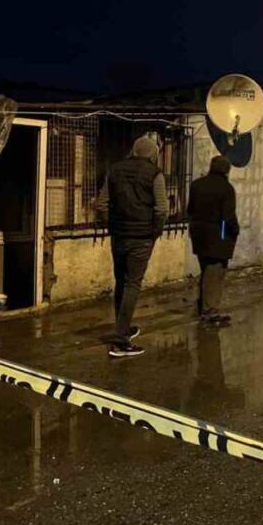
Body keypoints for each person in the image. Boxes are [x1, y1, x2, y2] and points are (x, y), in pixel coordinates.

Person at [95, 133, 168, 358]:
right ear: (153, 154)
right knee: (133, 284)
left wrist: (111, 225)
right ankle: (121, 340)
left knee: (121, 281)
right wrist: (154, 232)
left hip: (119, 235)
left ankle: (123, 327)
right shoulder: (155, 174)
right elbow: (162, 209)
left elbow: (102, 203)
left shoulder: (114, 170)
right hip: (142, 236)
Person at [187, 155, 240, 325]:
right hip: (218, 235)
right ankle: (209, 312)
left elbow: (190, 209)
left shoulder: (196, 185)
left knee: (206, 270)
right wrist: (234, 231)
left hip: (199, 234)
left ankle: (203, 306)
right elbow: (228, 216)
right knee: (215, 273)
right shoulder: (226, 189)